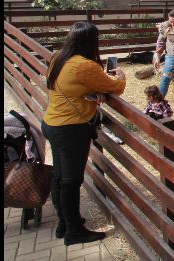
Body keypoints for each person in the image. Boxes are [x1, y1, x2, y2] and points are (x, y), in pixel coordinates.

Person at [41, 21, 127, 245]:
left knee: (60, 177)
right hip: (70, 129)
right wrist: (121, 75)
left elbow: (71, 86)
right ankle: (74, 231)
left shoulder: (58, 58)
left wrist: (90, 92)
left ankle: (65, 224)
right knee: (71, 181)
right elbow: (116, 87)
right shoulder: (85, 66)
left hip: (52, 123)